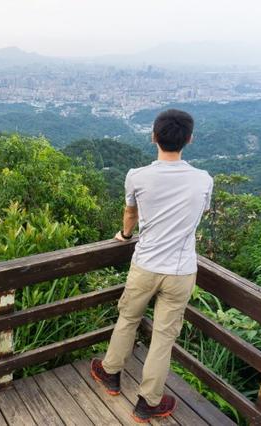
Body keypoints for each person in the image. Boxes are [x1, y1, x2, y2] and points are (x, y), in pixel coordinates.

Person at [90, 109, 213, 423]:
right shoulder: (203, 180)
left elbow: (130, 214)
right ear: (189, 139)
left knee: (128, 318)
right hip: (182, 269)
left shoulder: (138, 175)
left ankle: (111, 374)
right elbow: (198, 215)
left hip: (145, 264)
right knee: (163, 337)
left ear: (154, 137)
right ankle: (148, 403)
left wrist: (125, 235)